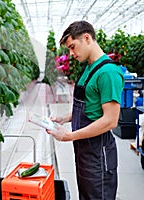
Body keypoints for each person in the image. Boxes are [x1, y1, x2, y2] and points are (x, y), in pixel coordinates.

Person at [46, 21, 124, 200]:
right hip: (85, 151)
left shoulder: (108, 73)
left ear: (87, 38)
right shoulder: (90, 68)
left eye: (73, 47)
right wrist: (63, 118)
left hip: (98, 154)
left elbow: (110, 120)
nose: (71, 54)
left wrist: (70, 136)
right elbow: (90, 108)